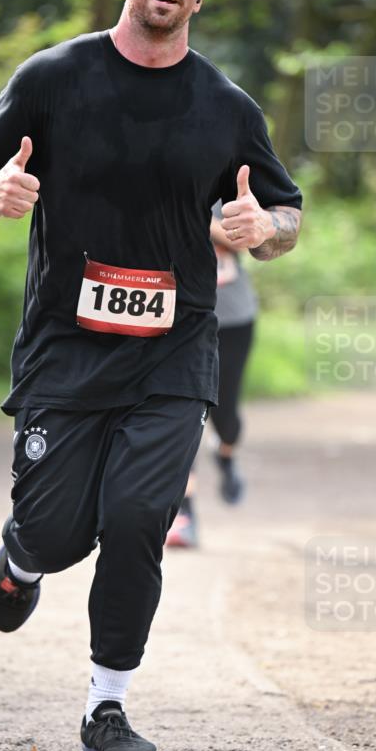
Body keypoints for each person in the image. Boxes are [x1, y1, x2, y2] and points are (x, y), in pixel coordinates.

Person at [0, 0, 302, 751]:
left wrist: (266, 228)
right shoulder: (53, 76)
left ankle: (106, 706)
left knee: (140, 516)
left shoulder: (226, 107)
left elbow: (286, 214)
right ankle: (24, 558)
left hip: (175, 348)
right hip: (65, 348)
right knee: (59, 530)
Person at [166, 200, 257, 548]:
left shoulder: (229, 181)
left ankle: (226, 454)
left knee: (226, 415)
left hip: (232, 318)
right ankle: (184, 515)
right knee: (182, 415)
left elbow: (250, 241)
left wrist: (197, 219)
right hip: (178, 317)